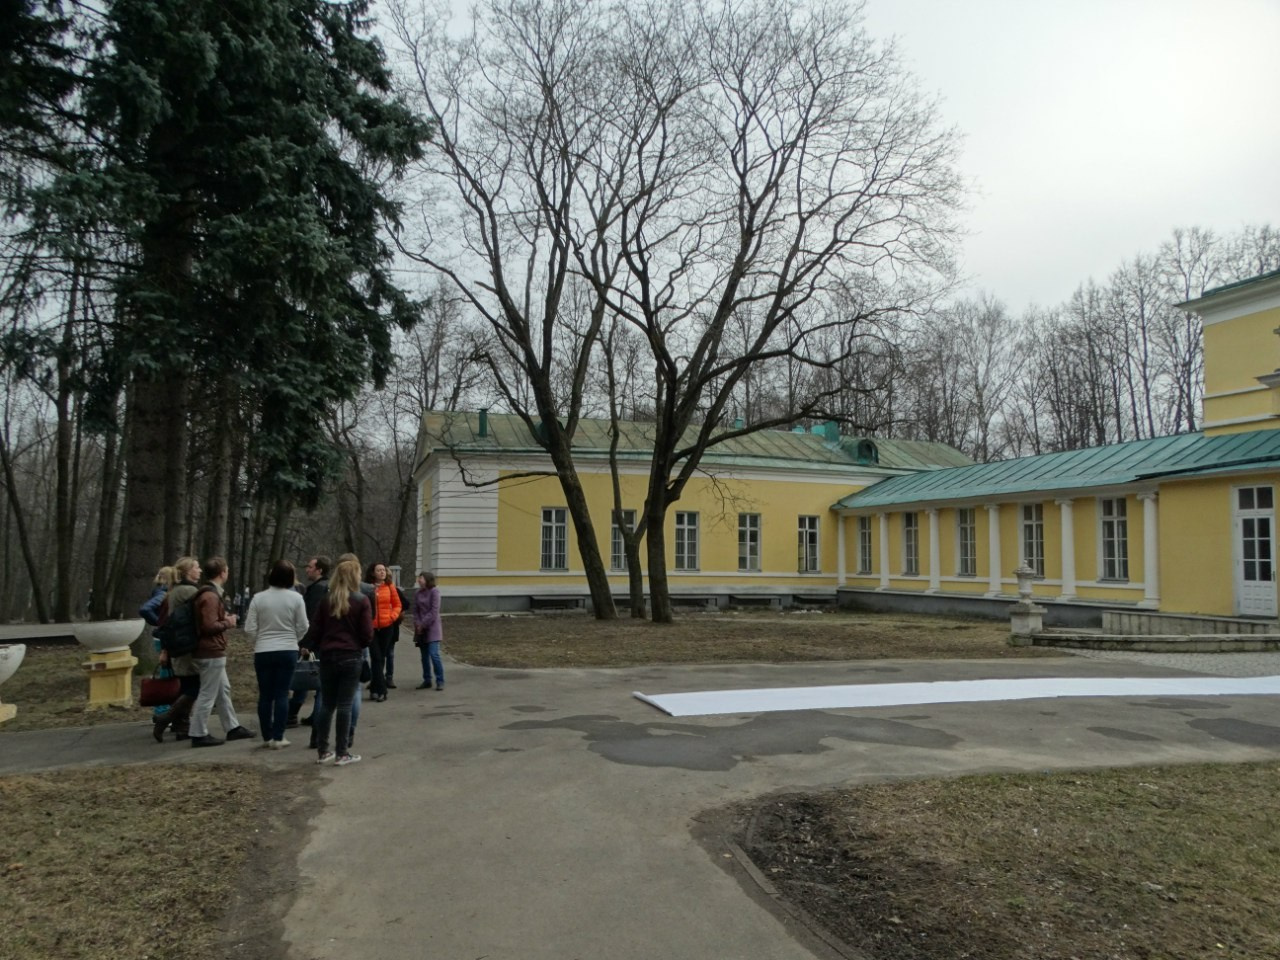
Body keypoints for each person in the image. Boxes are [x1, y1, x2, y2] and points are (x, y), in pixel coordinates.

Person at [302, 558, 371, 766]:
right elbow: (367, 634)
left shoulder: (326, 601)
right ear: (354, 577)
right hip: (350, 656)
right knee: (345, 705)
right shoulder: (361, 600)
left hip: (328, 656)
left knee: (327, 704)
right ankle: (342, 752)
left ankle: (323, 750)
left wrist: (307, 645)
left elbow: (315, 629)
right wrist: (357, 643)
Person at [189, 556, 256, 747]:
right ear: (222, 573)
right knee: (208, 693)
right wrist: (229, 622)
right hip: (210, 650)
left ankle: (232, 727)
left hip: (210, 650)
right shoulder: (210, 596)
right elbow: (208, 626)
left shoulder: (208, 594)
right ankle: (198, 732)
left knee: (222, 689)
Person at [245, 559, 309, 749]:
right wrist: (294, 639)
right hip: (287, 648)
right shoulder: (296, 599)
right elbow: (303, 625)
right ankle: (279, 736)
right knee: (282, 693)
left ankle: (267, 736)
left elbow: (249, 628)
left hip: (263, 650)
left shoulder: (258, 598)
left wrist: (259, 640)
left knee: (265, 695)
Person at [155, 557, 201, 742]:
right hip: (188, 644)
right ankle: (167, 718)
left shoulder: (174, 591)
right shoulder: (189, 591)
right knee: (196, 686)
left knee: (186, 686)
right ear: (188, 571)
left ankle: (182, 727)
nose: (200, 571)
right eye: (197, 567)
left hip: (178, 644)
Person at [289, 554, 331, 727]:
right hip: (324, 639)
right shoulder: (326, 587)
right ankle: (303, 714)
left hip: (316, 641)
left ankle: (309, 716)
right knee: (312, 676)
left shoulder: (317, 590)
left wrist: (307, 643)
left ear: (319, 570)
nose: (307, 569)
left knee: (309, 676)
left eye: (310, 567)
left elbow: (312, 619)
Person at [365, 561, 401, 702]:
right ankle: (382, 690)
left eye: (383, 570)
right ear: (373, 573)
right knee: (376, 657)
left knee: (382, 657)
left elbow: (398, 605)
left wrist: (392, 617)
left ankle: (375, 689)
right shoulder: (368, 588)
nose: (382, 572)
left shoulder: (390, 587)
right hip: (372, 628)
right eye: (379, 570)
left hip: (387, 627)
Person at [413, 571, 445, 691]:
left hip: (433, 628)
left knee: (434, 654)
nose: (419, 580)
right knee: (424, 656)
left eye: (421, 577)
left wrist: (423, 623)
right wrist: (417, 624)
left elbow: (434, 611)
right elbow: (415, 610)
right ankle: (427, 679)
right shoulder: (418, 593)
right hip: (421, 629)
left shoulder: (434, 592)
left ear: (427, 579)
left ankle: (440, 680)